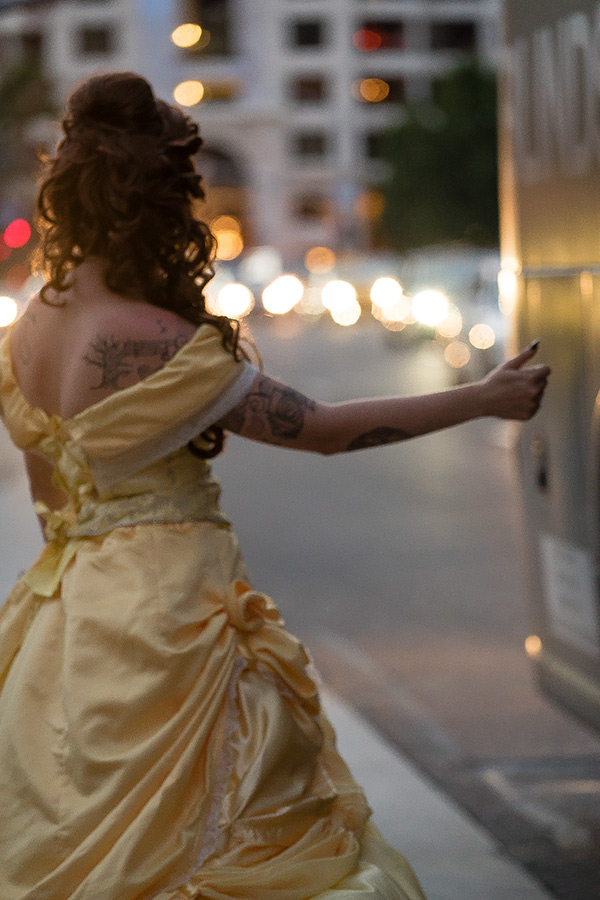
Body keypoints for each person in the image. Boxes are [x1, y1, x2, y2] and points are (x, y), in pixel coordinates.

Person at [0, 72, 549, 900]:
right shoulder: (157, 339)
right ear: (161, 203)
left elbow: (51, 506)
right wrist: (482, 398)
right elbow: (324, 431)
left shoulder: (34, 320)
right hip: (169, 613)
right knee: (220, 835)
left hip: (68, 613)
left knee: (82, 835)